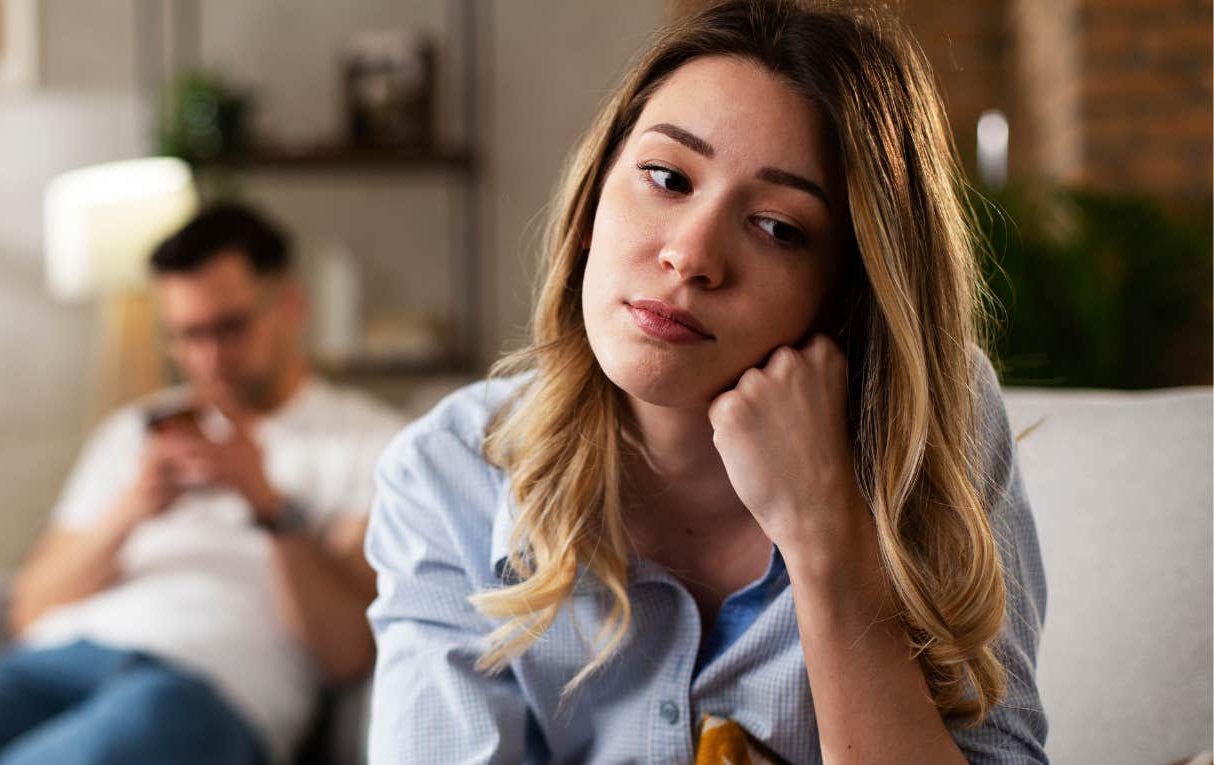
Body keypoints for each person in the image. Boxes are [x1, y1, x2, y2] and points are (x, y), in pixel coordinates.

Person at [364, 2, 1047, 763]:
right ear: (592, 200)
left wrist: (826, 542)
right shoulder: (447, 476)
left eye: (778, 227)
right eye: (666, 177)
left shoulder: (931, 435)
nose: (692, 255)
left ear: (847, 291)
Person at [0, 204, 404, 765]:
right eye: (187, 336)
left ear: (291, 305)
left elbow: (347, 652)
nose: (208, 358)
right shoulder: (133, 433)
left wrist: (266, 503)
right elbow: (30, 609)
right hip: (63, 658)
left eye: (229, 328)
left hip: (207, 684)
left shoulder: (376, 446)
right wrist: (133, 508)